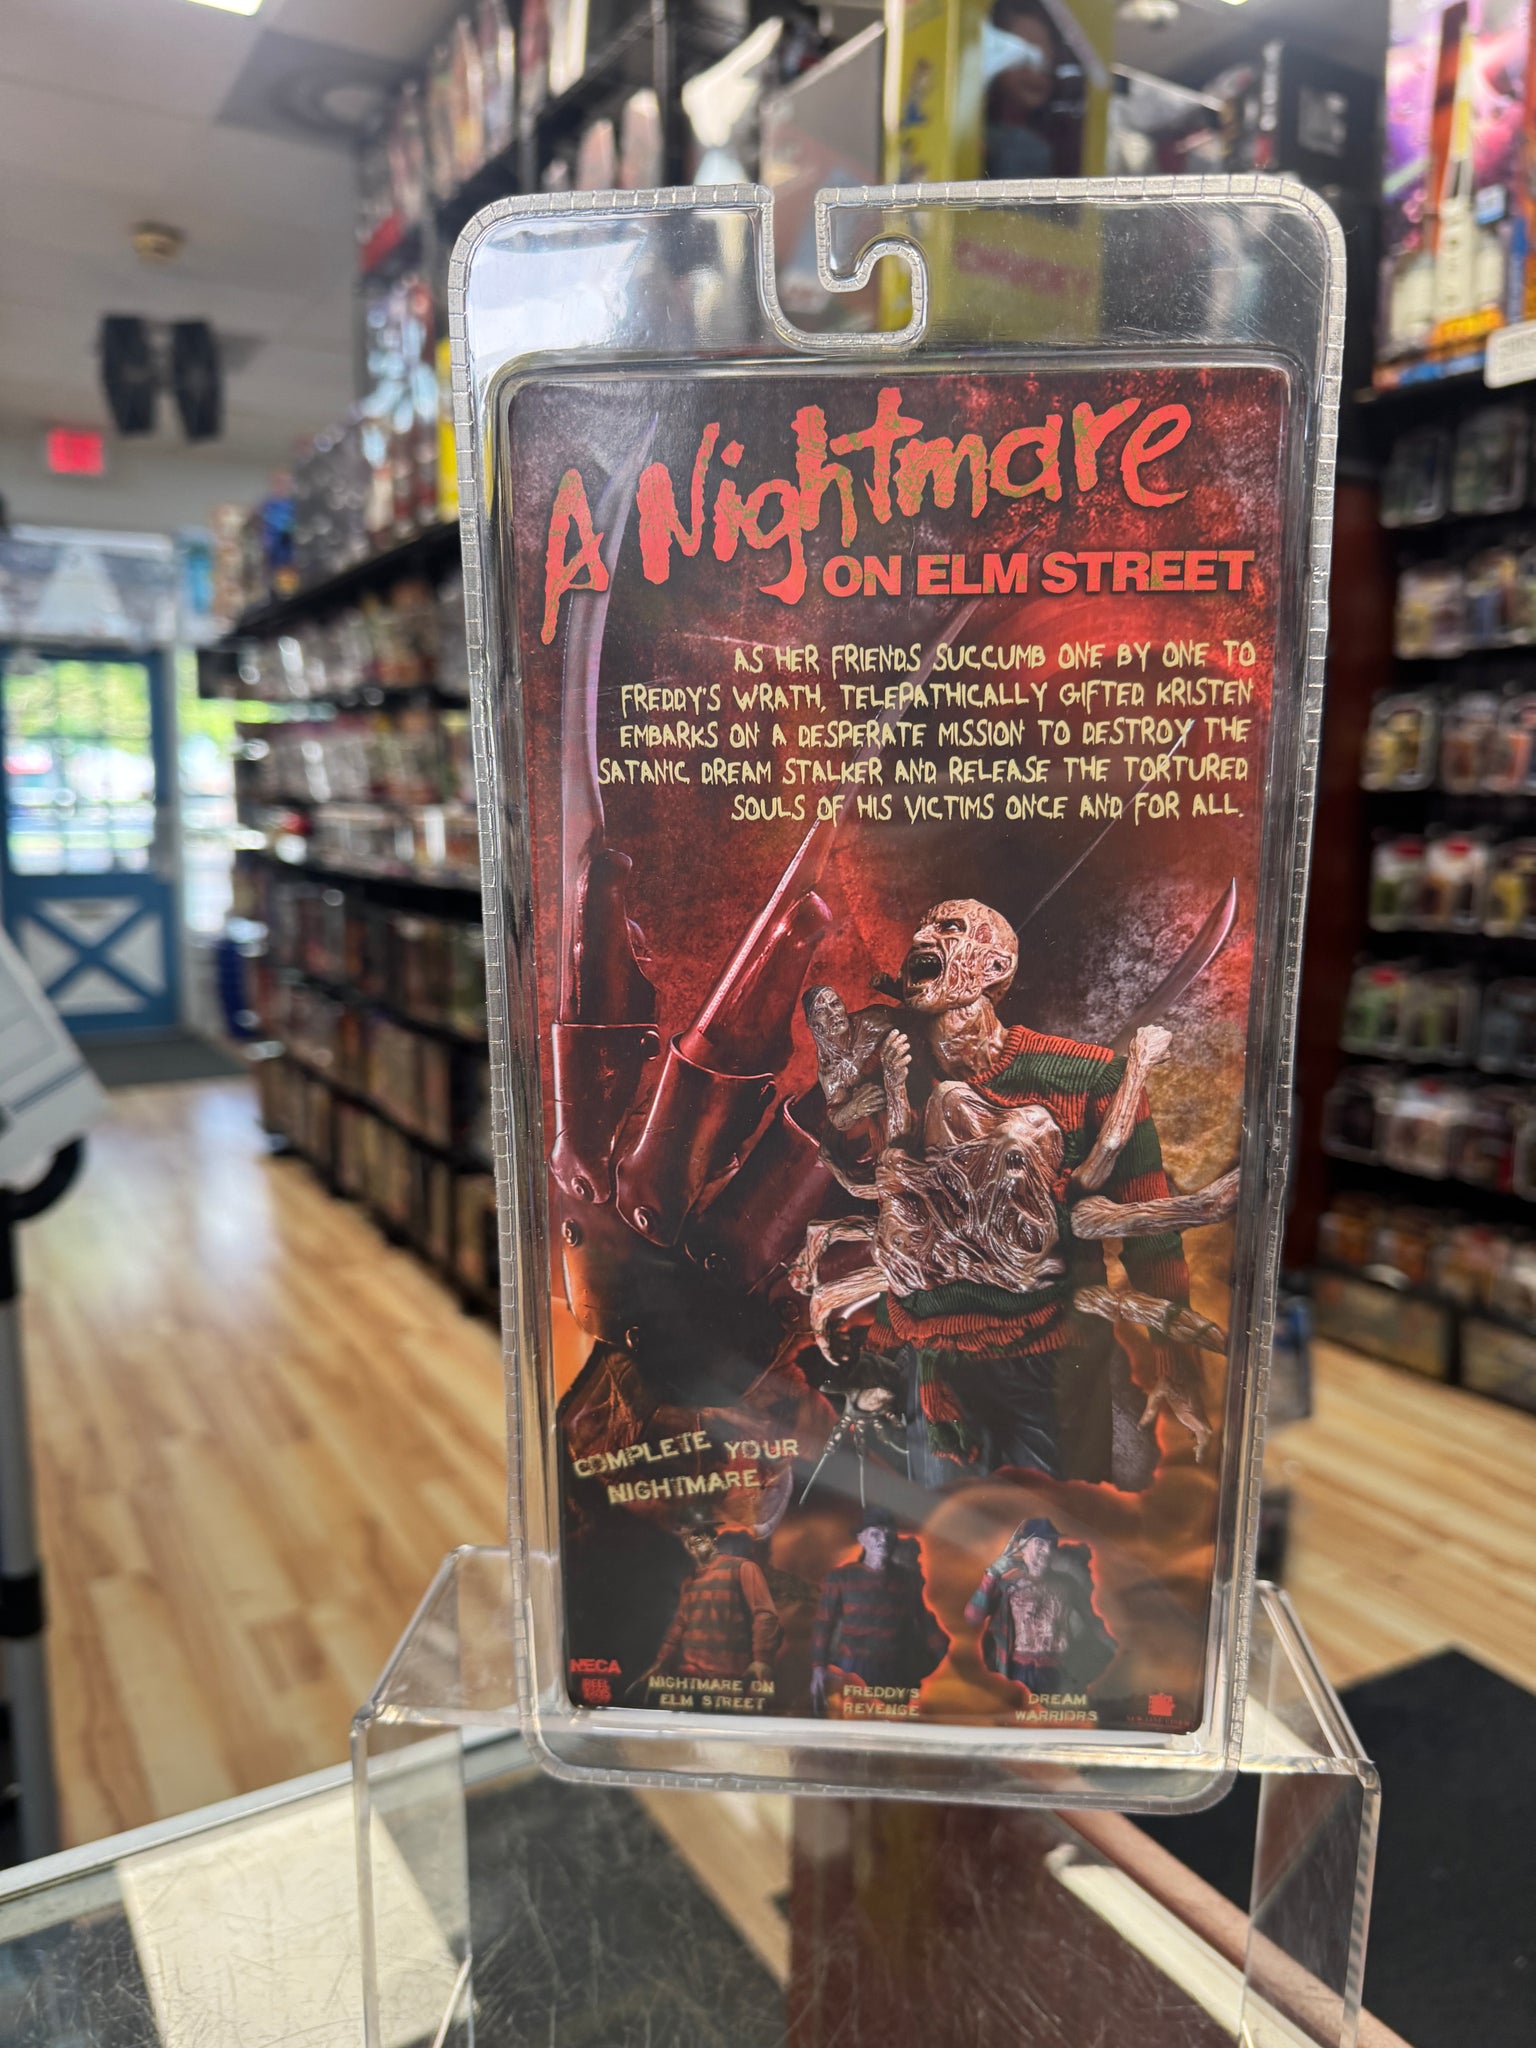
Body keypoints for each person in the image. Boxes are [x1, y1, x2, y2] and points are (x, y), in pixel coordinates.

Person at [857, 897, 1192, 1487]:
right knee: (949, 1528)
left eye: (949, 928)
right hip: (933, 1370)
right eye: (924, 926)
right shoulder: (894, 1072)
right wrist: (881, 1351)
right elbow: (895, 1225)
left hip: (1049, 1360)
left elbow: (1150, 1230)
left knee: (1052, 1521)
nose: (923, 935)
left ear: (995, 968)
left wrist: (1175, 1359)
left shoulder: (1090, 1076)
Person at [810, 1507, 949, 1711]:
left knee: (893, 1719)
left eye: (888, 1534)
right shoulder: (841, 1578)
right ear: (862, 1539)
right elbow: (824, 1624)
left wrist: (948, 1659)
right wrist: (818, 1668)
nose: (883, 1540)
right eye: (875, 1534)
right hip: (853, 1667)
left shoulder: (907, 1580)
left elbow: (924, 1621)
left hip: (895, 1670)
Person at [964, 1517, 1115, 1693]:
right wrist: (992, 1574)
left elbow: (1092, 1622)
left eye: (1052, 1543)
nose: (1048, 1550)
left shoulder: (1067, 1585)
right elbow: (973, 1617)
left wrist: (1114, 1652)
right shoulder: (1006, 1585)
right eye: (1040, 1543)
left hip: (1058, 1673)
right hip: (1017, 1671)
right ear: (1023, 1546)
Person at [646, 1506, 782, 1692]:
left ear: (713, 1537)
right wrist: (662, 1660)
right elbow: (680, 1624)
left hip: (731, 1679)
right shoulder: (689, 1582)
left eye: (698, 1533)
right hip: (691, 1678)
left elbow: (765, 1614)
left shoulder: (742, 1569)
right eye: (686, 1536)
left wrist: (762, 1660)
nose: (692, 1539)